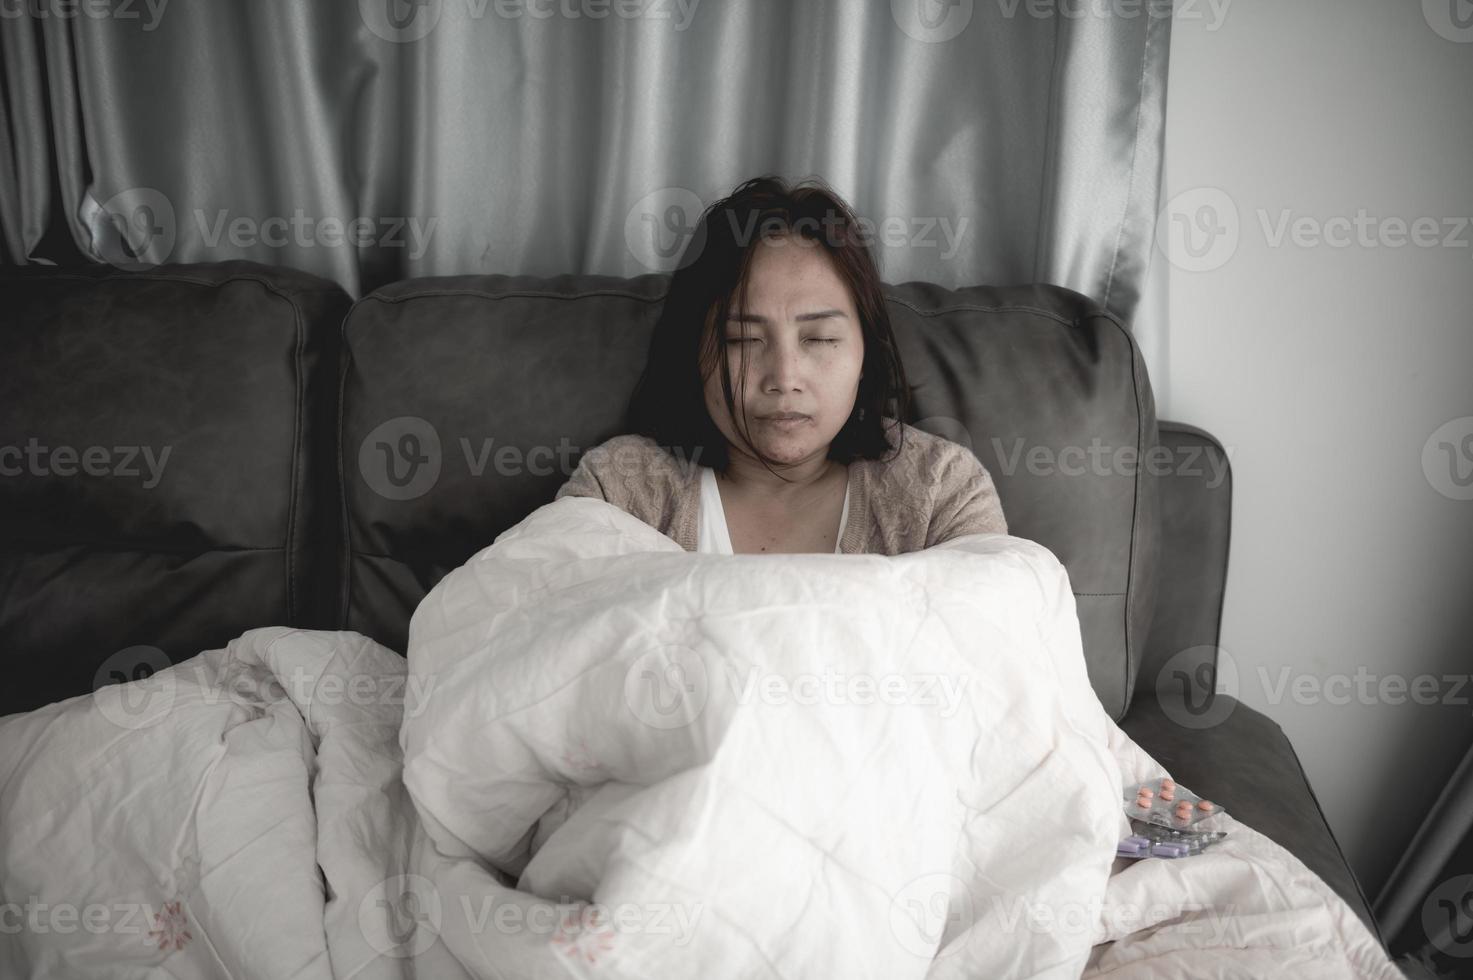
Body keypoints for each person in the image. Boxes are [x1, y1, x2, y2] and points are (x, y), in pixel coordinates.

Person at [555, 174, 1006, 555]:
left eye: (821, 338)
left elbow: (990, 648)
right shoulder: (621, 490)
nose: (785, 378)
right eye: (743, 340)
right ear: (694, 353)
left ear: (866, 353)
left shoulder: (940, 491)